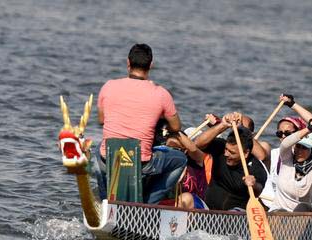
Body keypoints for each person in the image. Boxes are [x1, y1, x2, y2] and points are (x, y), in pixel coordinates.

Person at [95, 43, 187, 204]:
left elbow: (101, 120)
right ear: (151, 65)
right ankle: (148, 205)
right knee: (180, 160)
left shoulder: (108, 86)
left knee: (98, 152)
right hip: (141, 163)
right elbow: (176, 127)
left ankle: (106, 203)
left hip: (109, 158)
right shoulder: (161, 94)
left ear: (128, 63)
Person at [192, 113, 268, 211]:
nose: (226, 154)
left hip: (234, 216)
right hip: (208, 211)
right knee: (187, 198)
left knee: (235, 211)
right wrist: (223, 124)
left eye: (231, 152)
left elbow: (258, 191)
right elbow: (197, 144)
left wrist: (253, 185)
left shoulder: (255, 167)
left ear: (245, 153)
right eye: (226, 149)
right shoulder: (220, 148)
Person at [264, 117, 312, 212]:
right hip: (278, 211)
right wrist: (309, 129)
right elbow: (285, 144)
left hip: (302, 215)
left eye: (304, 148)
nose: (300, 151)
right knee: (281, 212)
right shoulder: (286, 160)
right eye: (298, 146)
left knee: (303, 207)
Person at [260, 94, 312, 199]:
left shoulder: (310, 151)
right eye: (280, 134)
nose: (283, 137)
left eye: (287, 133)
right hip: (272, 201)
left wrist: (292, 104)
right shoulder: (274, 154)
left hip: (300, 204)